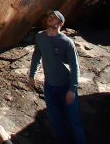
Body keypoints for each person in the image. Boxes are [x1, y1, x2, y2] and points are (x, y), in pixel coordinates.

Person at [28, 10, 86, 144]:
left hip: (66, 86)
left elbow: (75, 66)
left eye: (54, 17)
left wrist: (73, 89)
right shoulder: (40, 37)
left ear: (60, 23)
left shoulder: (67, 42)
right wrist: (32, 75)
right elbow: (37, 55)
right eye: (49, 16)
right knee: (56, 122)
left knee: (74, 122)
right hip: (49, 87)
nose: (50, 18)